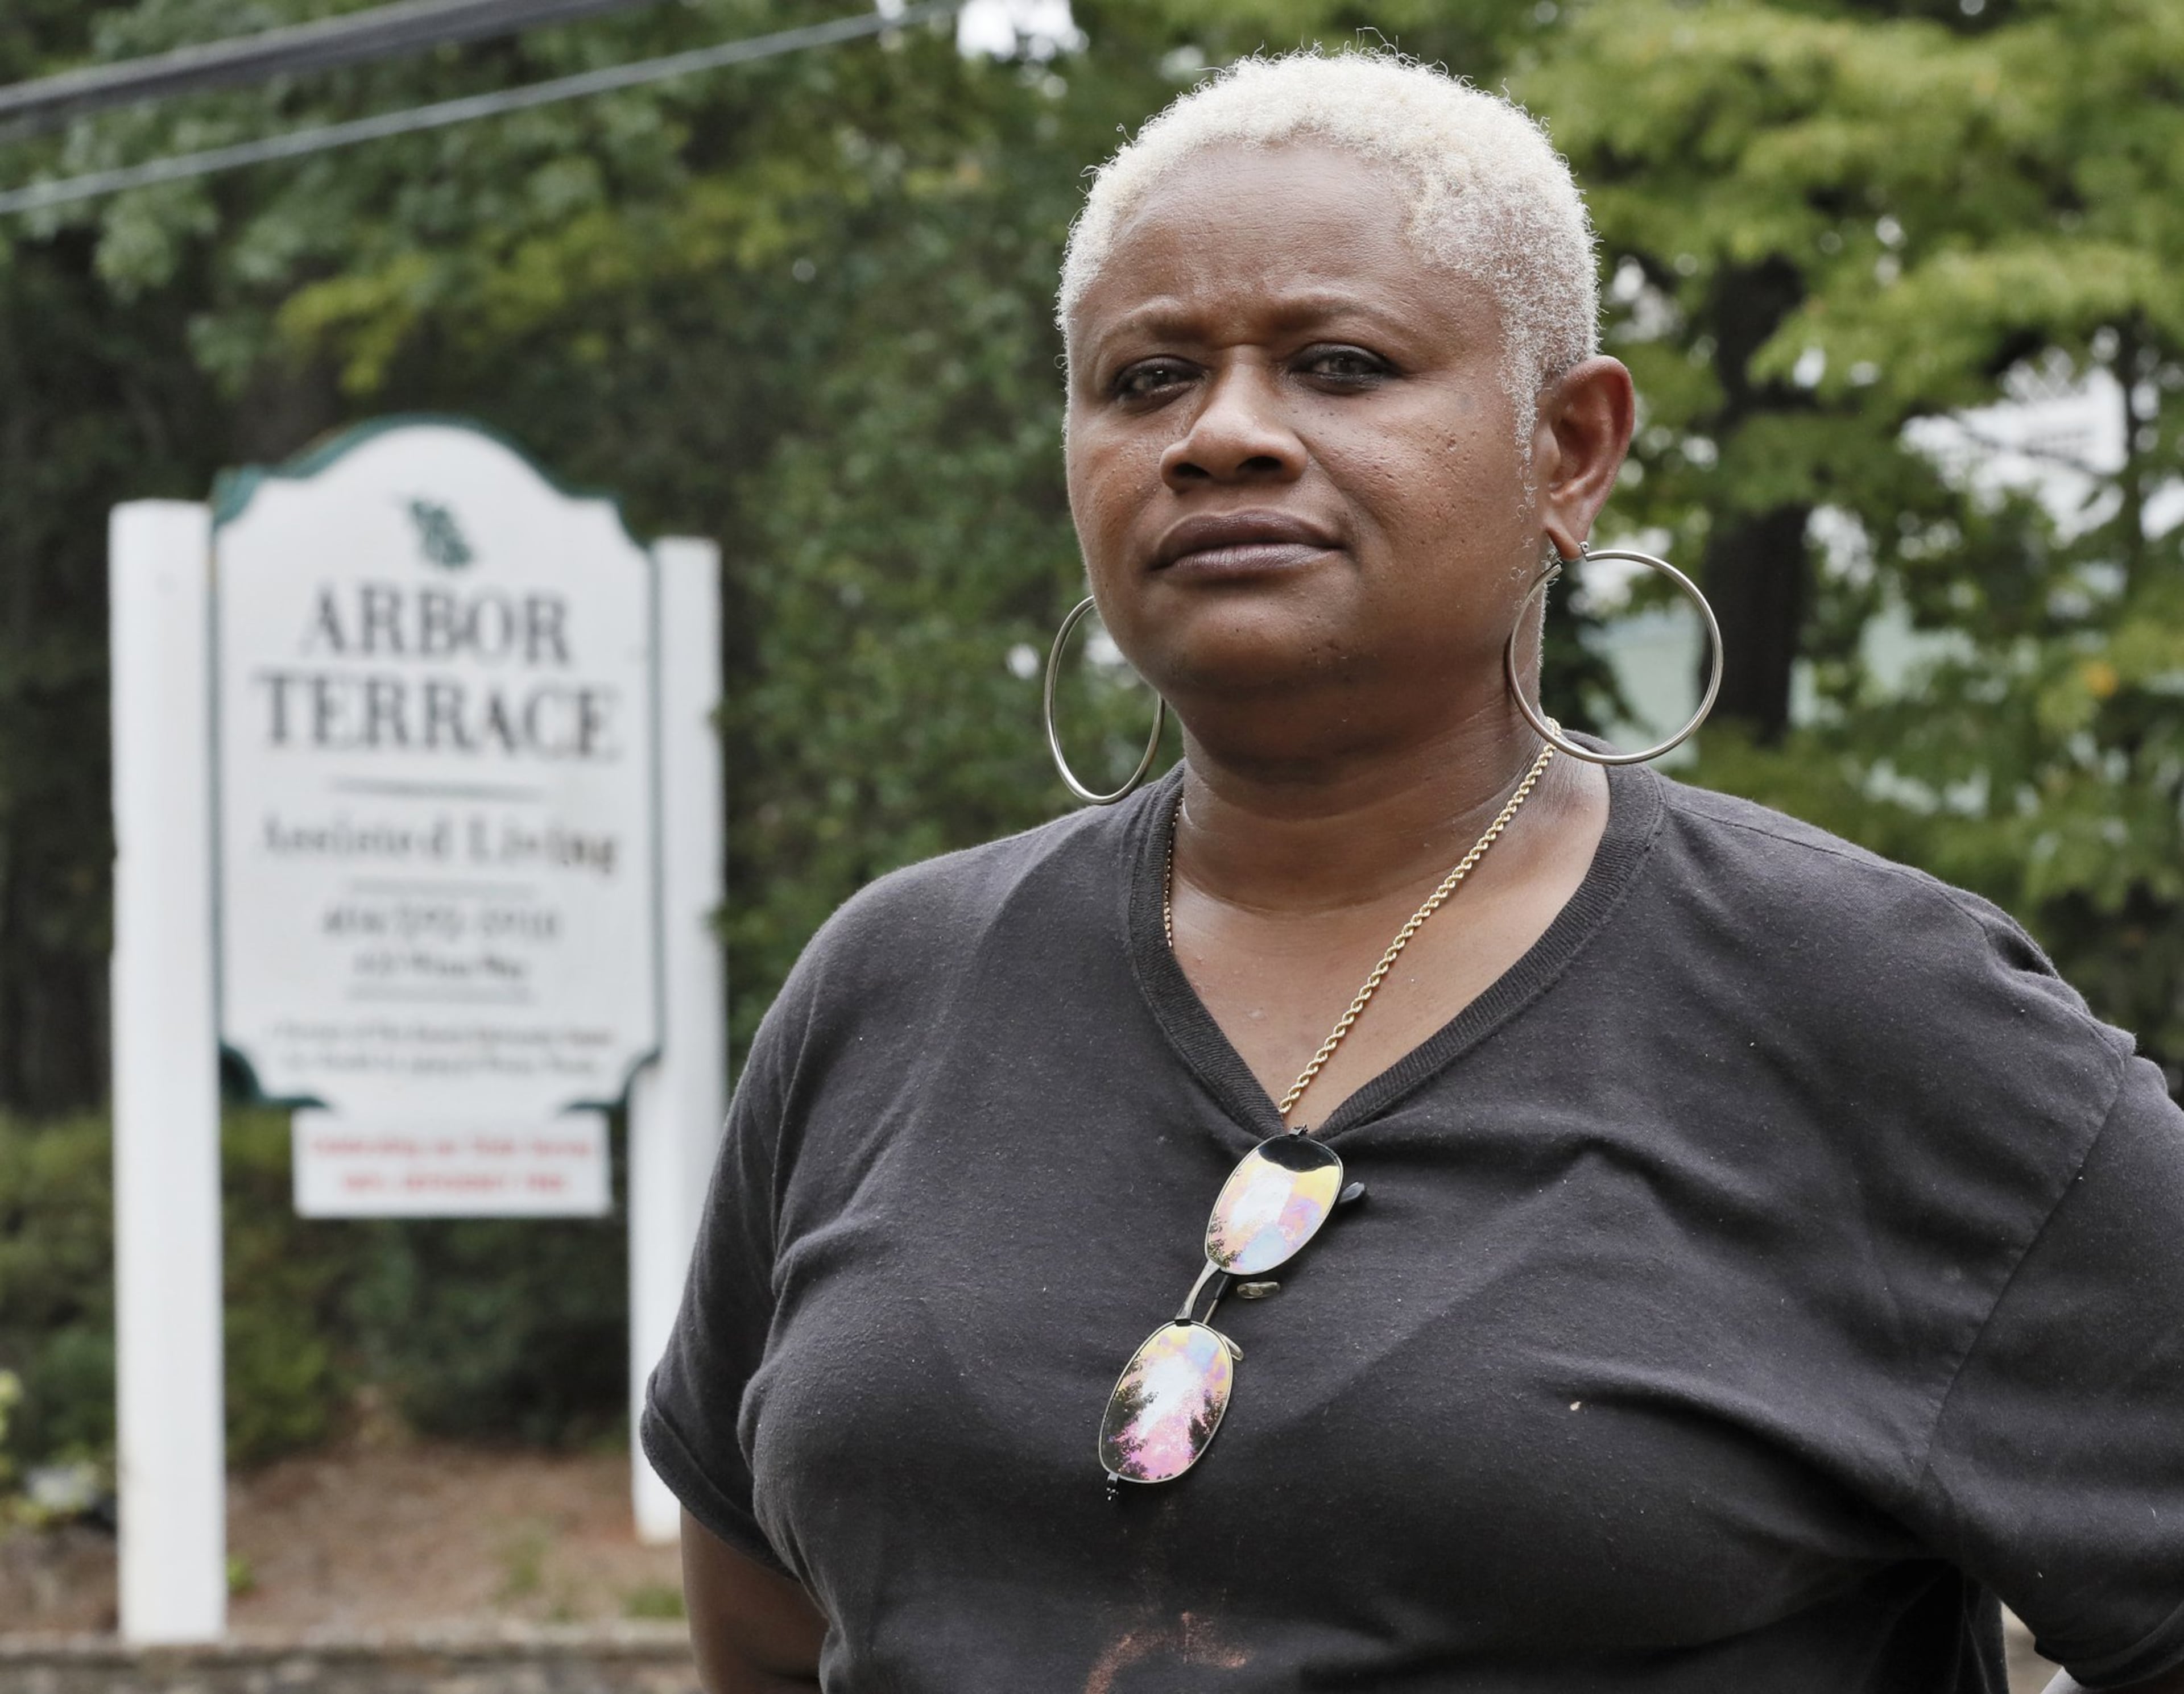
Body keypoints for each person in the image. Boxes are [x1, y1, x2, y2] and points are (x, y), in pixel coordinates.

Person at [643, 49, 2184, 1694]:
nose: (1223, 433)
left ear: (1570, 453)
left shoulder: (1878, 1007)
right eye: (1147, 379)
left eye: (1340, 362)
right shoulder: (889, 986)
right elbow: (765, 1610)